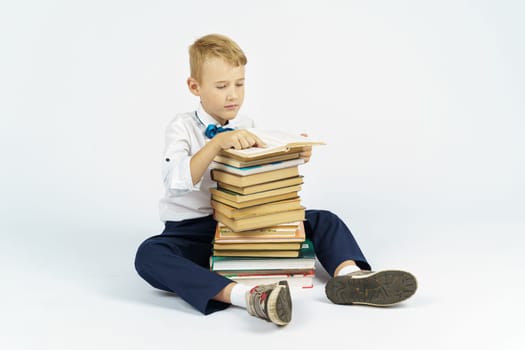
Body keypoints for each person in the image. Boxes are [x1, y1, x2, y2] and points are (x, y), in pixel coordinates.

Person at [134, 33, 417, 327]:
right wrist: (216, 144)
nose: (233, 94)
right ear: (195, 86)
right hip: (194, 231)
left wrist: (292, 155)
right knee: (149, 255)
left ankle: (350, 277)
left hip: (244, 225)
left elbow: (262, 173)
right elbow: (176, 180)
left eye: (239, 84)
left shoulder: (248, 125)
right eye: (221, 86)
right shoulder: (181, 127)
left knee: (324, 220)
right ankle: (248, 297)